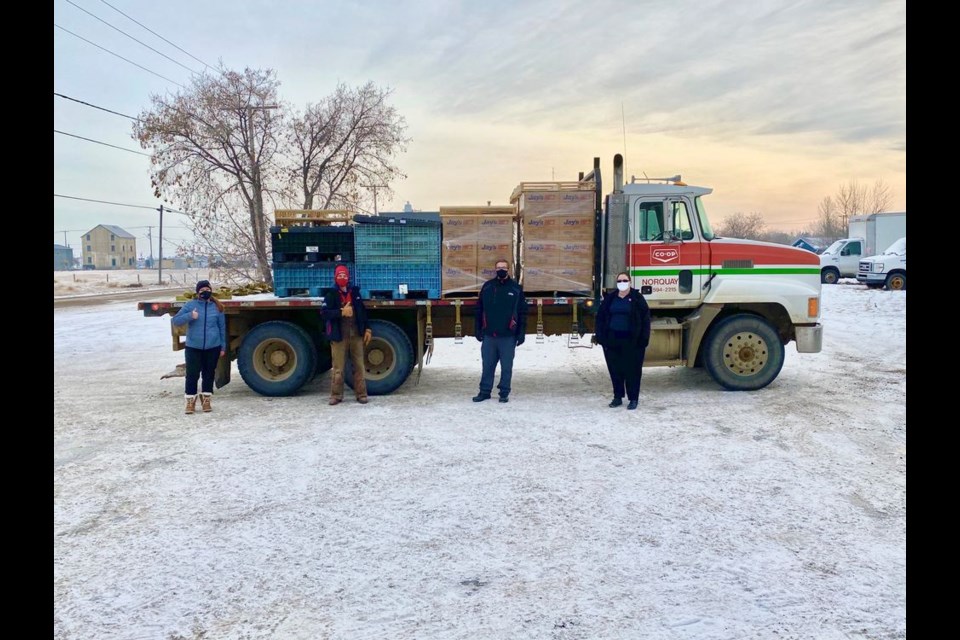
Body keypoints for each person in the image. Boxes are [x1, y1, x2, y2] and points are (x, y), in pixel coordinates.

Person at [594, 272, 651, 410]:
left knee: (633, 371)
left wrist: (643, 339)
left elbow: (645, 320)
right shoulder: (610, 298)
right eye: (620, 280)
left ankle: (633, 399)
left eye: (625, 280)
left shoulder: (637, 298)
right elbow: (601, 317)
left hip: (632, 341)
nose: (622, 282)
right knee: (615, 370)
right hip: (613, 340)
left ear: (630, 282)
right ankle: (617, 397)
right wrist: (601, 337)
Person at [473, 258, 527, 403]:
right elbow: (479, 309)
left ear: (508, 270)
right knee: (487, 366)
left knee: (506, 367)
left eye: (503, 267)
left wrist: (521, 333)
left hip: (508, 336)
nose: (501, 270)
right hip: (489, 335)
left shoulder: (515, 289)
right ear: (495, 270)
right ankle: (484, 392)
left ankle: (504, 393)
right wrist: (477, 329)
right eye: (498, 268)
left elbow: (522, 312)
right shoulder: (488, 287)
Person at [171, 279, 226, 414]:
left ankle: (206, 400)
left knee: (209, 374)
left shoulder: (217, 307)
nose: (205, 292)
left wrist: (223, 347)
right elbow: (176, 321)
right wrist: (191, 316)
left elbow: (222, 328)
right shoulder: (191, 305)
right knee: (192, 374)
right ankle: (190, 402)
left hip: (213, 346)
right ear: (197, 293)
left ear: (211, 291)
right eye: (202, 291)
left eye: (207, 290)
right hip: (193, 347)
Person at [322, 264, 373, 405]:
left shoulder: (355, 293)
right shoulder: (331, 294)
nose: (342, 278)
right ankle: (336, 395)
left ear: (348, 277)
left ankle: (362, 394)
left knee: (359, 365)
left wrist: (367, 328)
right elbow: (324, 313)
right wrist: (341, 312)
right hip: (339, 335)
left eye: (344, 275)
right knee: (338, 367)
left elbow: (362, 312)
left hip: (356, 334)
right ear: (335, 277)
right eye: (339, 275)